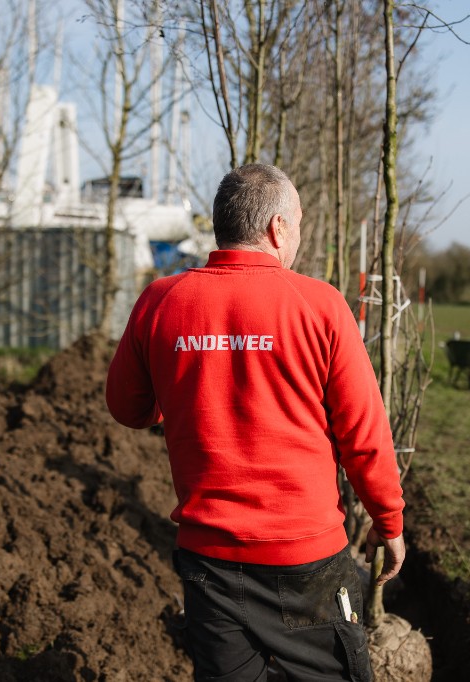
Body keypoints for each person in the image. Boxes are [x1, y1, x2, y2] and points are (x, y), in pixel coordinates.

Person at [106, 163, 405, 680]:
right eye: (299, 224)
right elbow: (363, 434)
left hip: (209, 565)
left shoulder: (160, 301)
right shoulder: (321, 305)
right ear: (276, 229)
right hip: (306, 560)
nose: (299, 238)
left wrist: (182, 388)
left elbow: (127, 408)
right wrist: (389, 519)